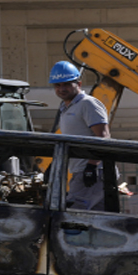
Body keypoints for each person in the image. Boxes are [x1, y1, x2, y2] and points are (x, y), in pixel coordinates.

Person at [51, 61, 111, 210]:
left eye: (66, 84)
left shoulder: (87, 104)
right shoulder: (66, 107)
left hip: (93, 172)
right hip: (80, 171)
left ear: (78, 83)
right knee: (95, 221)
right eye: (57, 85)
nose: (61, 89)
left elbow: (103, 137)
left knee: (72, 215)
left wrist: (91, 166)